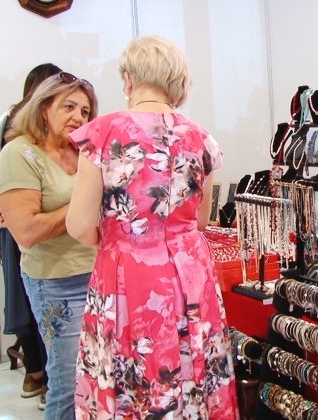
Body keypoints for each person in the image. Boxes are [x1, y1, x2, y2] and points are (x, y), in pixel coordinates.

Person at [66, 35, 239, 419]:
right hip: (190, 271)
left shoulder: (104, 133)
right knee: (192, 360)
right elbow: (200, 220)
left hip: (129, 272)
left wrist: (115, 238)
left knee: (131, 366)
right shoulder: (201, 138)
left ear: (129, 78)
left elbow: (78, 223)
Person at [0, 71, 98, 420]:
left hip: (99, 277)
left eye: (85, 111)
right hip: (57, 284)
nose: (78, 117)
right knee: (68, 383)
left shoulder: (84, 153)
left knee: (97, 379)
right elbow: (26, 231)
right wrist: (82, 207)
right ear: (43, 109)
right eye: (69, 107)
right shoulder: (19, 154)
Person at [0, 63, 61, 410]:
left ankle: (35, 374)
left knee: (27, 302)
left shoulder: (13, 124)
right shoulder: (19, 136)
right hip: (28, 227)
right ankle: (43, 378)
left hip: (19, 225)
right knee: (34, 302)